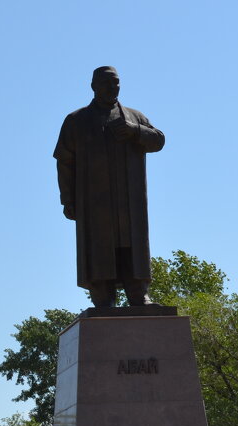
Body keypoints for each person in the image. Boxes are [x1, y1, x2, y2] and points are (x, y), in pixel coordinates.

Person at [54, 66, 165, 308]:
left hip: (129, 200)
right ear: (93, 86)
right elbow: (64, 162)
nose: (112, 87)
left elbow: (158, 140)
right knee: (99, 248)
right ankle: (103, 298)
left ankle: (139, 294)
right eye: (106, 83)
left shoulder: (134, 117)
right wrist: (68, 199)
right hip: (94, 203)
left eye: (116, 82)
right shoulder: (77, 121)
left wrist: (135, 131)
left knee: (132, 246)